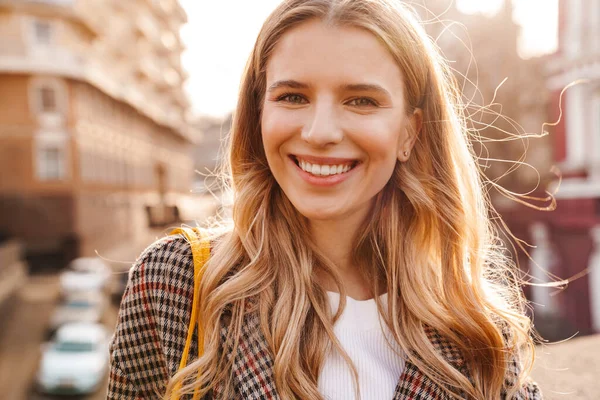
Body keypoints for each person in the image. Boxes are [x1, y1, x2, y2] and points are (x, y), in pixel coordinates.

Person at [108, 0, 543, 399]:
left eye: (361, 100)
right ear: (259, 113)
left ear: (410, 132)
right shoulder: (177, 281)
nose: (320, 132)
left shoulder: (480, 330)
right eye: (293, 96)